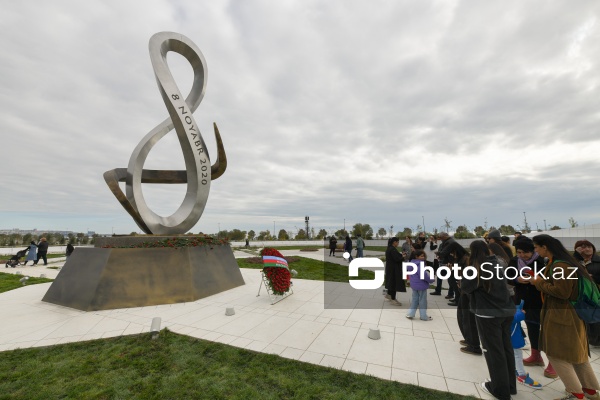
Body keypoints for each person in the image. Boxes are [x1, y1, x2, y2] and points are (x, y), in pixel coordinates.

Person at [530, 234, 600, 400]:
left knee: (555, 354)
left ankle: (575, 392)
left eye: (536, 247)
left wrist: (538, 282)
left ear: (545, 247)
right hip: (569, 315)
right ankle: (590, 391)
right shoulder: (564, 262)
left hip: (562, 316)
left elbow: (562, 292)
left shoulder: (560, 265)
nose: (536, 250)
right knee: (576, 353)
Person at [461, 240, 516, 400]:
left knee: (493, 351)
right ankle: (510, 386)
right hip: (506, 311)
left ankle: (499, 389)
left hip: (488, 314)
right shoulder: (499, 262)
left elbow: (465, 287)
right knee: (506, 348)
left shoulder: (476, 267)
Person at [507, 237, 557, 379]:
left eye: (525, 252)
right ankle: (536, 356)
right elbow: (508, 276)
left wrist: (536, 280)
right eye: (519, 252)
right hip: (523, 301)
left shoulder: (542, 260)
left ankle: (554, 362)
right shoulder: (515, 261)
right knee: (532, 327)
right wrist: (517, 279)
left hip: (541, 300)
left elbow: (551, 279)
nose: (522, 255)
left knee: (548, 331)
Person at [511, 300, 543, 390]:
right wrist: (521, 313)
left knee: (513, 354)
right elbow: (511, 318)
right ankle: (521, 375)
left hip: (512, 334)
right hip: (512, 335)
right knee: (517, 354)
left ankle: (514, 370)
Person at [574, 240, 600, 346]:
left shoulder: (598, 261)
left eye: (589, 246)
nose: (587, 249)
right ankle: (588, 338)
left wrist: (593, 278)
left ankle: (596, 340)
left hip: (596, 294)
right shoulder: (576, 261)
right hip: (581, 295)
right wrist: (576, 255)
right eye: (583, 247)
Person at [405, 250, 434, 321]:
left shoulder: (411, 264)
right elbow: (423, 275)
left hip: (414, 285)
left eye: (423, 256)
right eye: (421, 256)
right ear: (416, 256)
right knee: (422, 301)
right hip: (421, 285)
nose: (423, 257)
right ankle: (423, 316)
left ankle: (410, 314)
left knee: (415, 299)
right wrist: (431, 280)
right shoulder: (420, 264)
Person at [384, 237, 405, 306]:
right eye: (397, 242)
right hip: (393, 269)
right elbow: (397, 259)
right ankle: (393, 299)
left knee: (391, 282)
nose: (398, 244)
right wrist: (403, 257)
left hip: (390, 268)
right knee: (393, 283)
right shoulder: (392, 249)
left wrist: (401, 255)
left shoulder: (389, 248)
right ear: (394, 242)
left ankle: (389, 295)